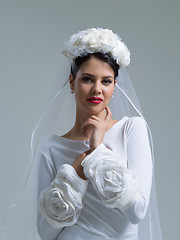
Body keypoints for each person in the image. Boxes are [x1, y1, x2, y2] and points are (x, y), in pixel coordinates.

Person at [2, 28, 162, 240]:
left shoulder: (131, 129)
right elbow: (46, 233)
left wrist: (98, 151)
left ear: (115, 85)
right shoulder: (51, 148)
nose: (97, 89)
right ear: (71, 82)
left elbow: (138, 212)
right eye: (87, 79)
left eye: (106, 81)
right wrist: (74, 177)